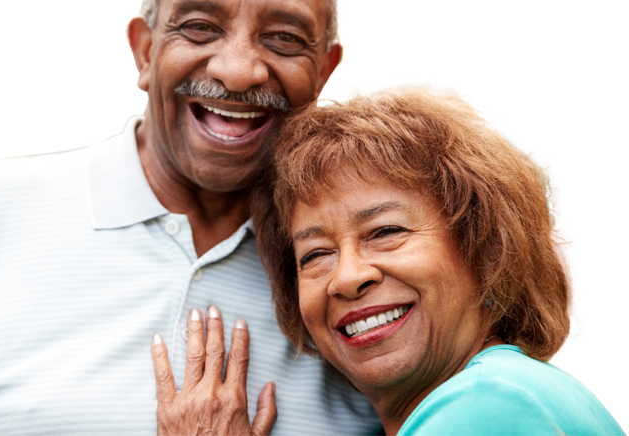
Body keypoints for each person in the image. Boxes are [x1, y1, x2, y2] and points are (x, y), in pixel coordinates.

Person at [0, 0, 380, 435]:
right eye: (200, 28)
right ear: (145, 50)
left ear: (324, 70)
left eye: (283, 39)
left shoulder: (361, 278)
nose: (238, 70)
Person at [242, 80, 622, 435]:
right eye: (316, 254)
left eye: (386, 232)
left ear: (483, 248)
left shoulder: (487, 405)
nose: (347, 277)